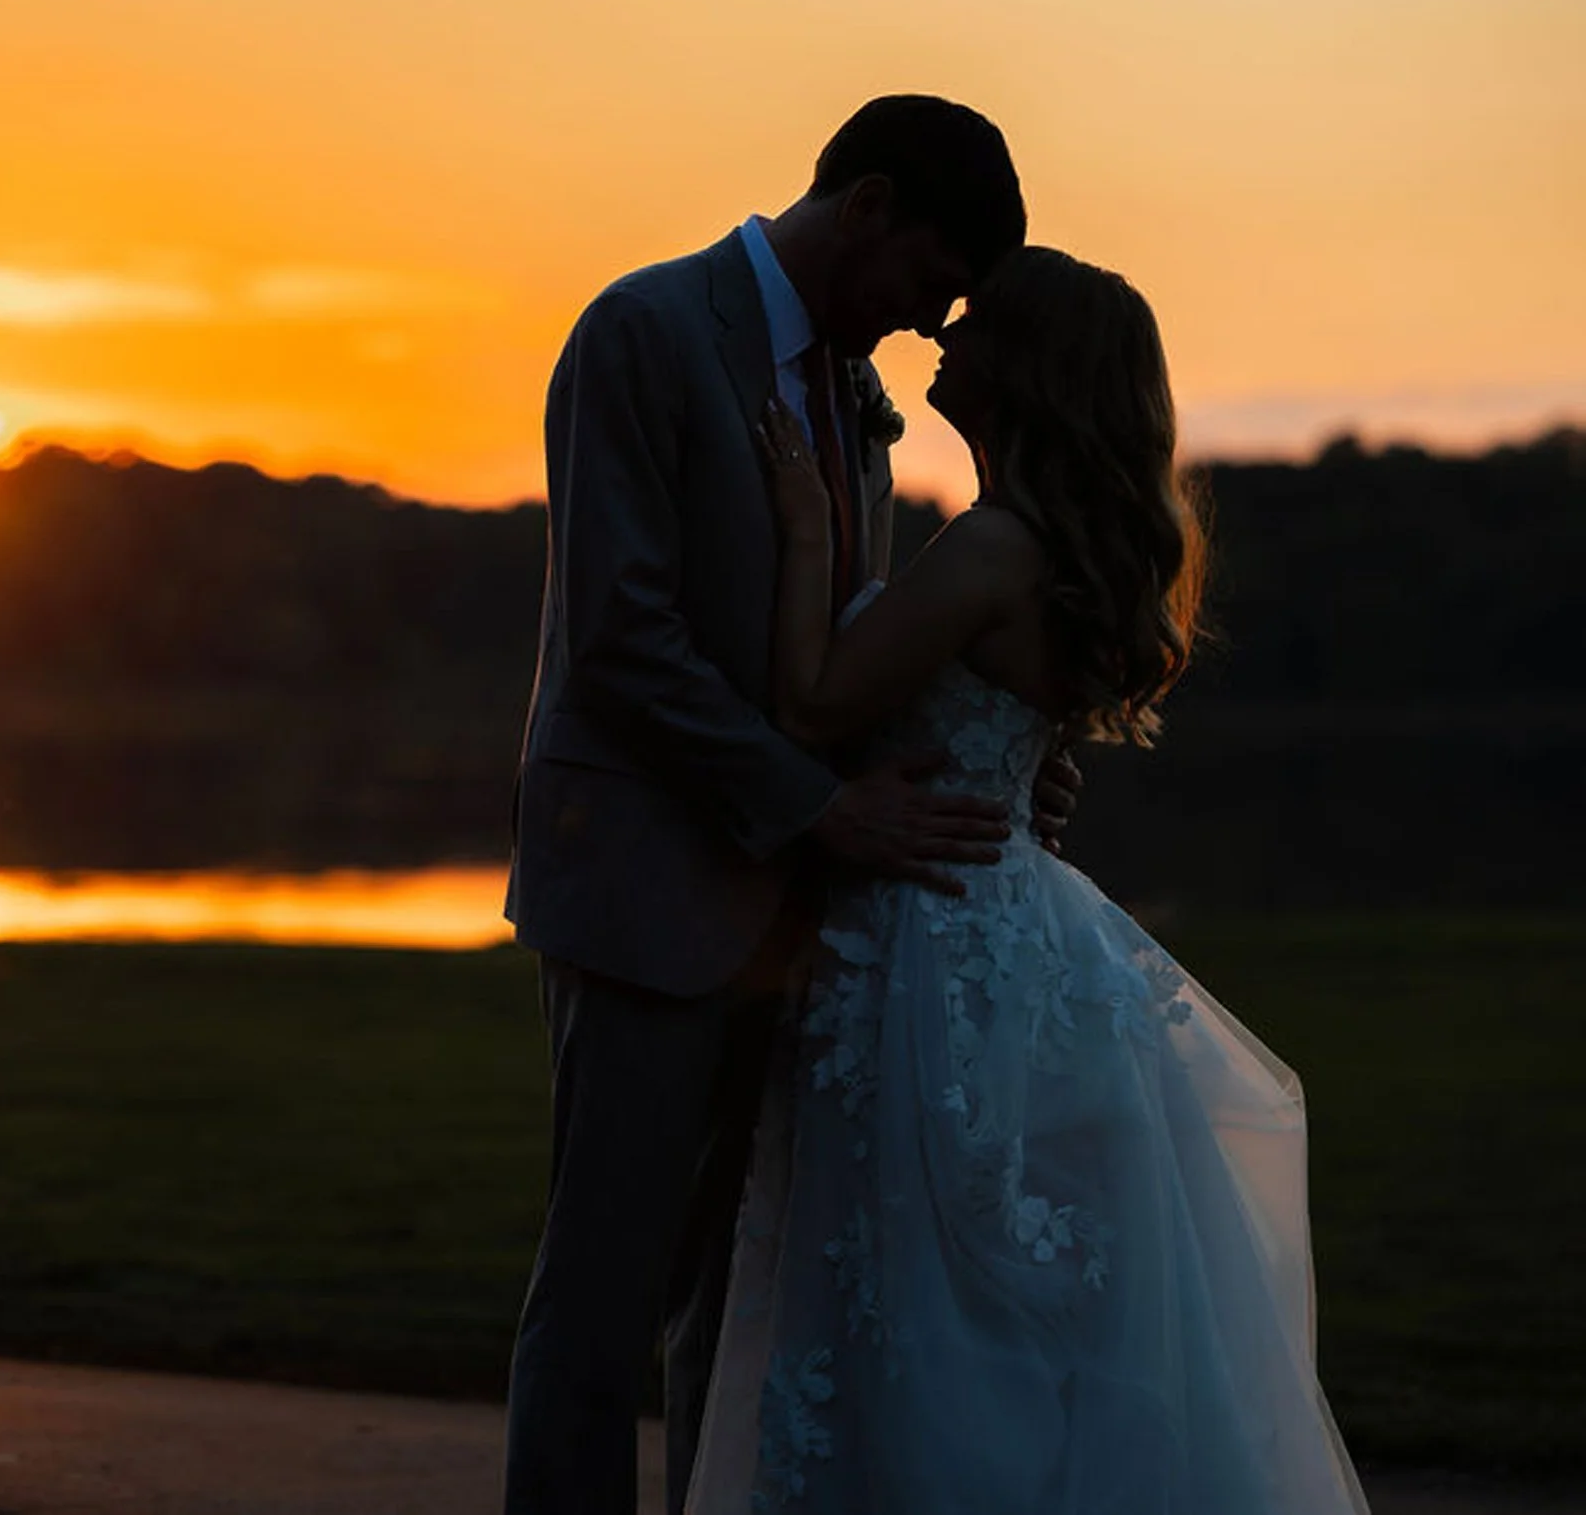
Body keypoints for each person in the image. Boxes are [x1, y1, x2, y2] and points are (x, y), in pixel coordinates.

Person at [681, 246, 1367, 1513]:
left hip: (926, 941)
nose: (946, 332)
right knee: (988, 1298)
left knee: (913, 1286)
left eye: (977, 322)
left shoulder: (992, 546)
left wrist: (808, 529)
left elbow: (815, 701)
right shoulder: (1051, 551)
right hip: (1012, 927)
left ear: (1030, 365)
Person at [502, 95, 1078, 1514]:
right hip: (645, 893)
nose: (929, 321)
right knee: (602, 1300)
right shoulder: (644, 331)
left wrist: (993, 753)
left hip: (807, 925)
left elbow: (828, 658)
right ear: (867, 204)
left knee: (741, 1302)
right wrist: (821, 807)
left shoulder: (849, 390)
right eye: (931, 279)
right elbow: (623, 641)